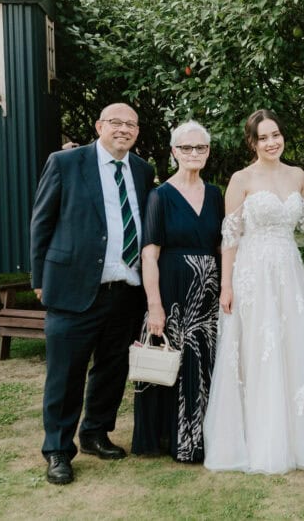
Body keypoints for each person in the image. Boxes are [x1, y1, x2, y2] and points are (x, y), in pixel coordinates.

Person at [203, 109, 304, 474]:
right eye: (263, 137)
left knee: (294, 345)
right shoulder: (241, 179)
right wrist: (228, 284)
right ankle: (259, 436)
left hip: (289, 269)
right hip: (253, 271)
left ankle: (303, 435)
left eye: (276, 135)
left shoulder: (299, 176)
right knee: (257, 347)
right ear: (252, 142)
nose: (272, 142)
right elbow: (230, 236)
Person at [30, 103, 155, 485]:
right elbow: (42, 221)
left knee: (112, 368)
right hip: (73, 288)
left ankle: (96, 432)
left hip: (125, 291)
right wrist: (39, 279)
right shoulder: (66, 163)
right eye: (116, 122)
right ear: (99, 126)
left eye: (131, 124)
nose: (124, 129)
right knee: (65, 373)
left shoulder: (142, 170)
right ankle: (57, 450)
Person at [131, 121, 222, 463]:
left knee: (203, 362)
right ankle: (169, 435)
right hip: (171, 291)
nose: (194, 154)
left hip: (207, 295)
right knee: (170, 361)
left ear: (208, 152)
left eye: (201, 148)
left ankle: (200, 436)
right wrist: (154, 305)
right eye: (186, 148)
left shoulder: (214, 194)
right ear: (173, 152)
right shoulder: (160, 196)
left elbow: (220, 245)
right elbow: (149, 254)